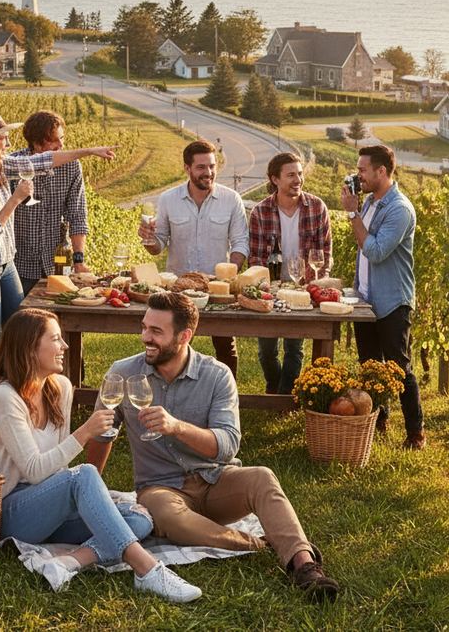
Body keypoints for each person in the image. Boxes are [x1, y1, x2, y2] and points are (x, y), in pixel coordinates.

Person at [87, 292, 340, 602]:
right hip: (161, 489)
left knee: (262, 476)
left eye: (155, 331)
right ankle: (257, 543)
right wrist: (92, 489)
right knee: (166, 514)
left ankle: (305, 565)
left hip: (215, 481)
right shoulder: (123, 373)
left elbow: (227, 445)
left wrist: (176, 427)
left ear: (184, 336)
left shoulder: (216, 375)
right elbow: (103, 433)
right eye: (144, 327)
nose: (145, 338)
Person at [0, 308, 202, 602]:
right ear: (30, 348)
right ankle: (148, 570)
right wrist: (84, 434)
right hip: (10, 511)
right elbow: (33, 470)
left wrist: (83, 499)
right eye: (56, 339)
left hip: (51, 506)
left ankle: (66, 563)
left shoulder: (59, 387)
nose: (64, 346)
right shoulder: (4, 397)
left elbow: (58, 466)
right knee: (84, 474)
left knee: (140, 519)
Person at [0, 110, 115, 393]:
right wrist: (16, 199)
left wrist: (88, 151)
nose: (6, 142)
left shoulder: (0, 167)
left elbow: (42, 161)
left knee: (24, 332)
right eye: (3, 138)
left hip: (4, 265)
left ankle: (21, 393)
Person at [138, 140, 248, 377]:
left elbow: (240, 243)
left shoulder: (231, 200)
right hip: (178, 289)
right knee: (173, 345)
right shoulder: (168, 199)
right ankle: (171, 390)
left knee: (225, 346)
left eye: (211, 166)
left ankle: (227, 397)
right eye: (201, 167)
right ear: (187, 168)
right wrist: (148, 239)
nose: (208, 173)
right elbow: (159, 246)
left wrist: (228, 275)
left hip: (217, 289)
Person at [340, 144, 426, 449]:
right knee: (369, 365)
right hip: (365, 297)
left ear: (382, 171)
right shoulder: (369, 202)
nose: (358, 175)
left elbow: (375, 251)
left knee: (398, 368)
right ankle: (379, 420)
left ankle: (416, 433)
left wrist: (351, 213)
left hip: (392, 300)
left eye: (363, 170)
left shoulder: (399, 209)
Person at [248, 152, 331, 394]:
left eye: (300, 174)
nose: (298, 180)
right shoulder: (260, 212)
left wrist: (313, 288)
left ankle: (284, 397)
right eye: (291, 175)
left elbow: (324, 256)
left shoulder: (317, 208)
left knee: (295, 348)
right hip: (270, 290)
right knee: (266, 351)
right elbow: (255, 260)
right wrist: (266, 289)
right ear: (275, 179)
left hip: (302, 290)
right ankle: (275, 387)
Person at [11, 110, 90, 296]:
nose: (61, 145)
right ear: (36, 144)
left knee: (55, 322)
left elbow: (77, 214)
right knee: (18, 322)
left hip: (57, 265)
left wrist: (79, 259)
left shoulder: (71, 166)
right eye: (54, 141)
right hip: (18, 266)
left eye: (62, 138)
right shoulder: (15, 165)